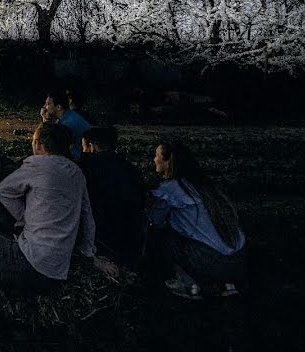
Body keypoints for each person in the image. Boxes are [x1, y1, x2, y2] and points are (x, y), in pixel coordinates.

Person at [0, 123, 117, 324]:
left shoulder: (37, 164)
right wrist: (91, 255)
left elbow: (3, 190)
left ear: (39, 145)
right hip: (57, 271)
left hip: (25, 264)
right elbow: (87, 217)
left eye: (33, 141)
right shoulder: (76, 173)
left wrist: (24, 218)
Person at [148, 140, 246, 299]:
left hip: (209, 260)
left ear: (168, 160)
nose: (154, 160)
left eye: (156, 155)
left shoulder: (172, 188)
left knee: (160, 236)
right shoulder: (206, 188)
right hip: (237, 261)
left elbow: (154, 220)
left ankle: (187, 283)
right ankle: (225, 285)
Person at [79, 127, 145, 266]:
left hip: (101, 239)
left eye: (83, 147)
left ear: (92, 147)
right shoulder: (132, 170)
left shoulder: (86, 167)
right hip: (132, 239)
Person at [41, 89, 90, 161]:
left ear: (58, 107)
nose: (44, 107)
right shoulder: (67, 115)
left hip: (77, 159)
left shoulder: (68, 124)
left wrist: (44, 120)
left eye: (48, 104)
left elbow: (50, 143)